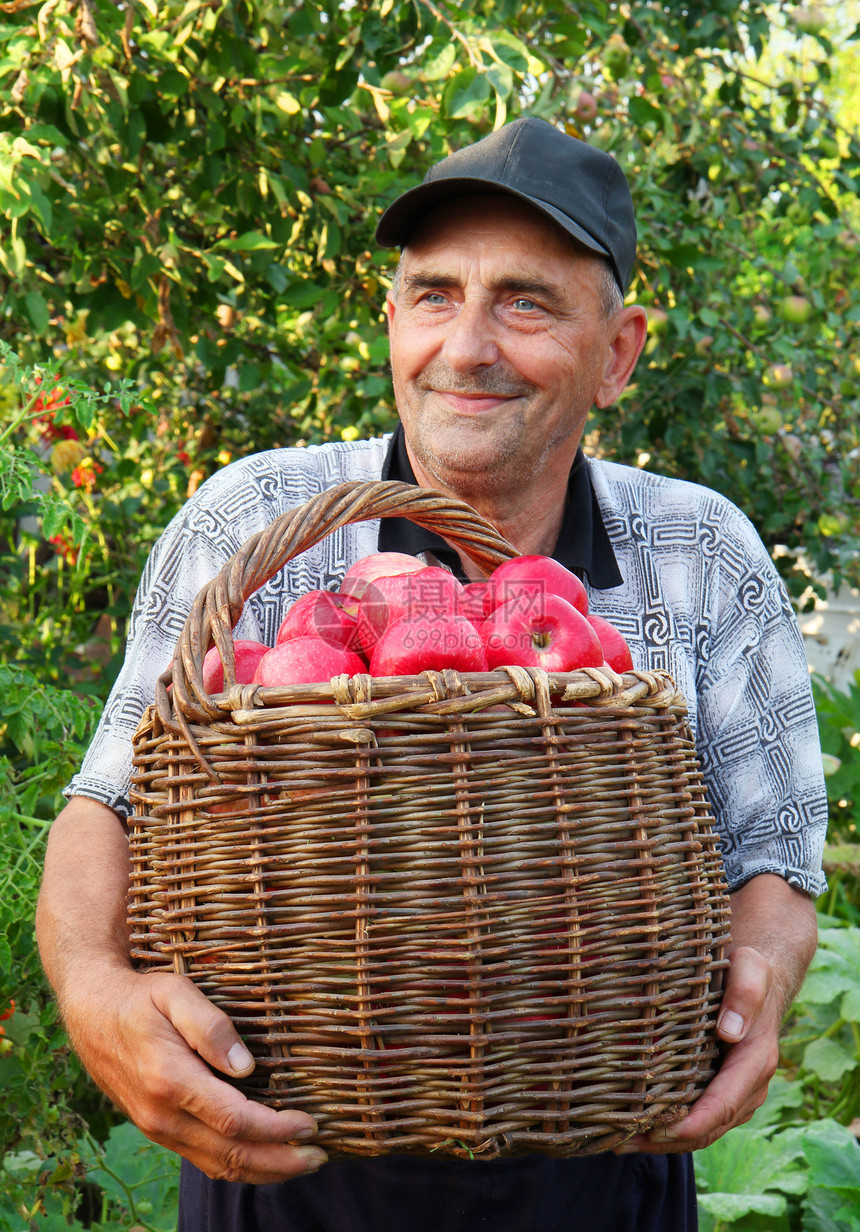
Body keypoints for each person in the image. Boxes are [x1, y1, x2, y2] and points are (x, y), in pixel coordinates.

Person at [36, 117, 825, 1231]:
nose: (465, 346)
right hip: (287, 1152)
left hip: (597, 1160)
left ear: (618, 352)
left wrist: (759, 982)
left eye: (524, 301)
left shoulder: (701, 553)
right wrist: (93, 990)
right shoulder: (257, 522)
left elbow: (776, 851)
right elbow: (107, 798)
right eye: (432, 295)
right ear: (392, 322)